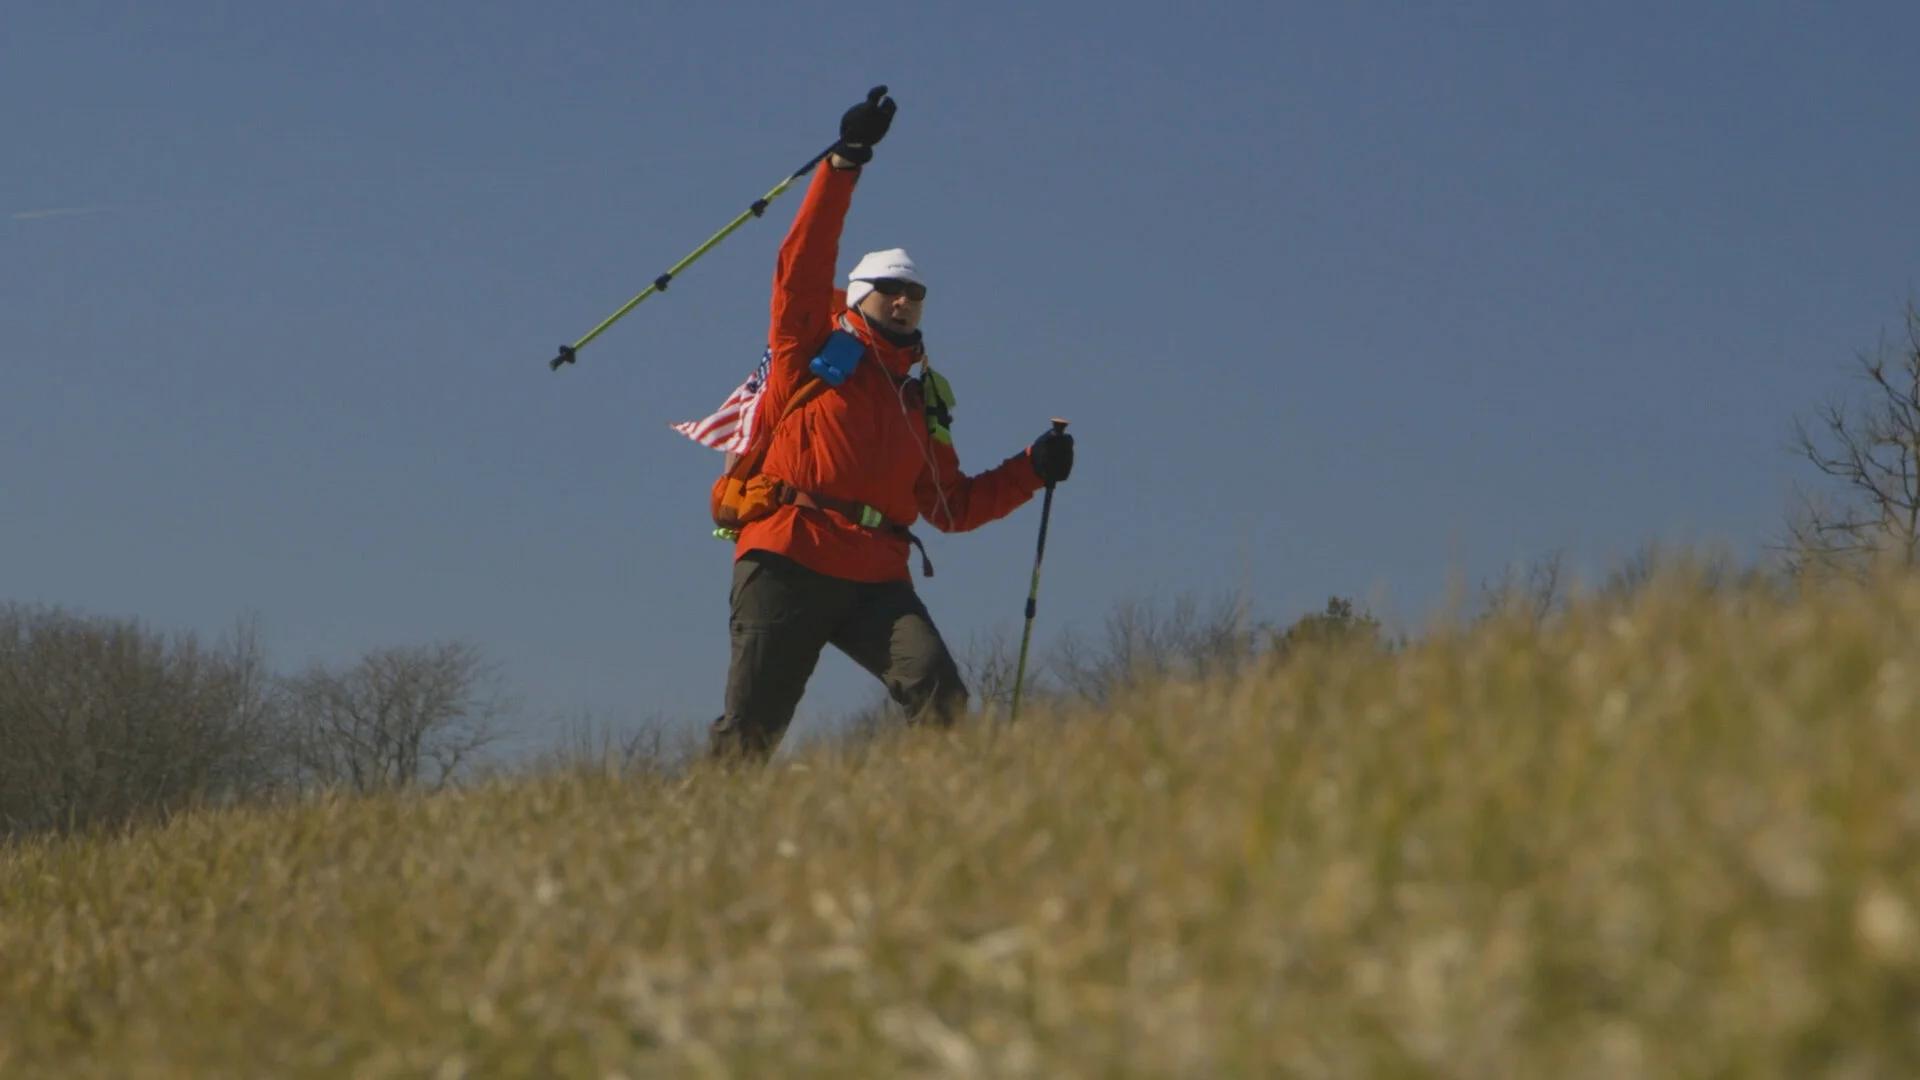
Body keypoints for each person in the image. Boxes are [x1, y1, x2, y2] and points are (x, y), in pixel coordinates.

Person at [708, 87, 1076, 762]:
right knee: (752, 731)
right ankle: (705, 823)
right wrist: (844, 163)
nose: (905, 302)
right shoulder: (808, 351)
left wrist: (1032, 467)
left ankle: (941, 813)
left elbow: (951, 507)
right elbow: (802, 265)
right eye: (891, 290)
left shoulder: (920, 396)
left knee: (943, 698)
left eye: (916, 294)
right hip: (788, 555)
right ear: (859, 296)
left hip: (876, 576)